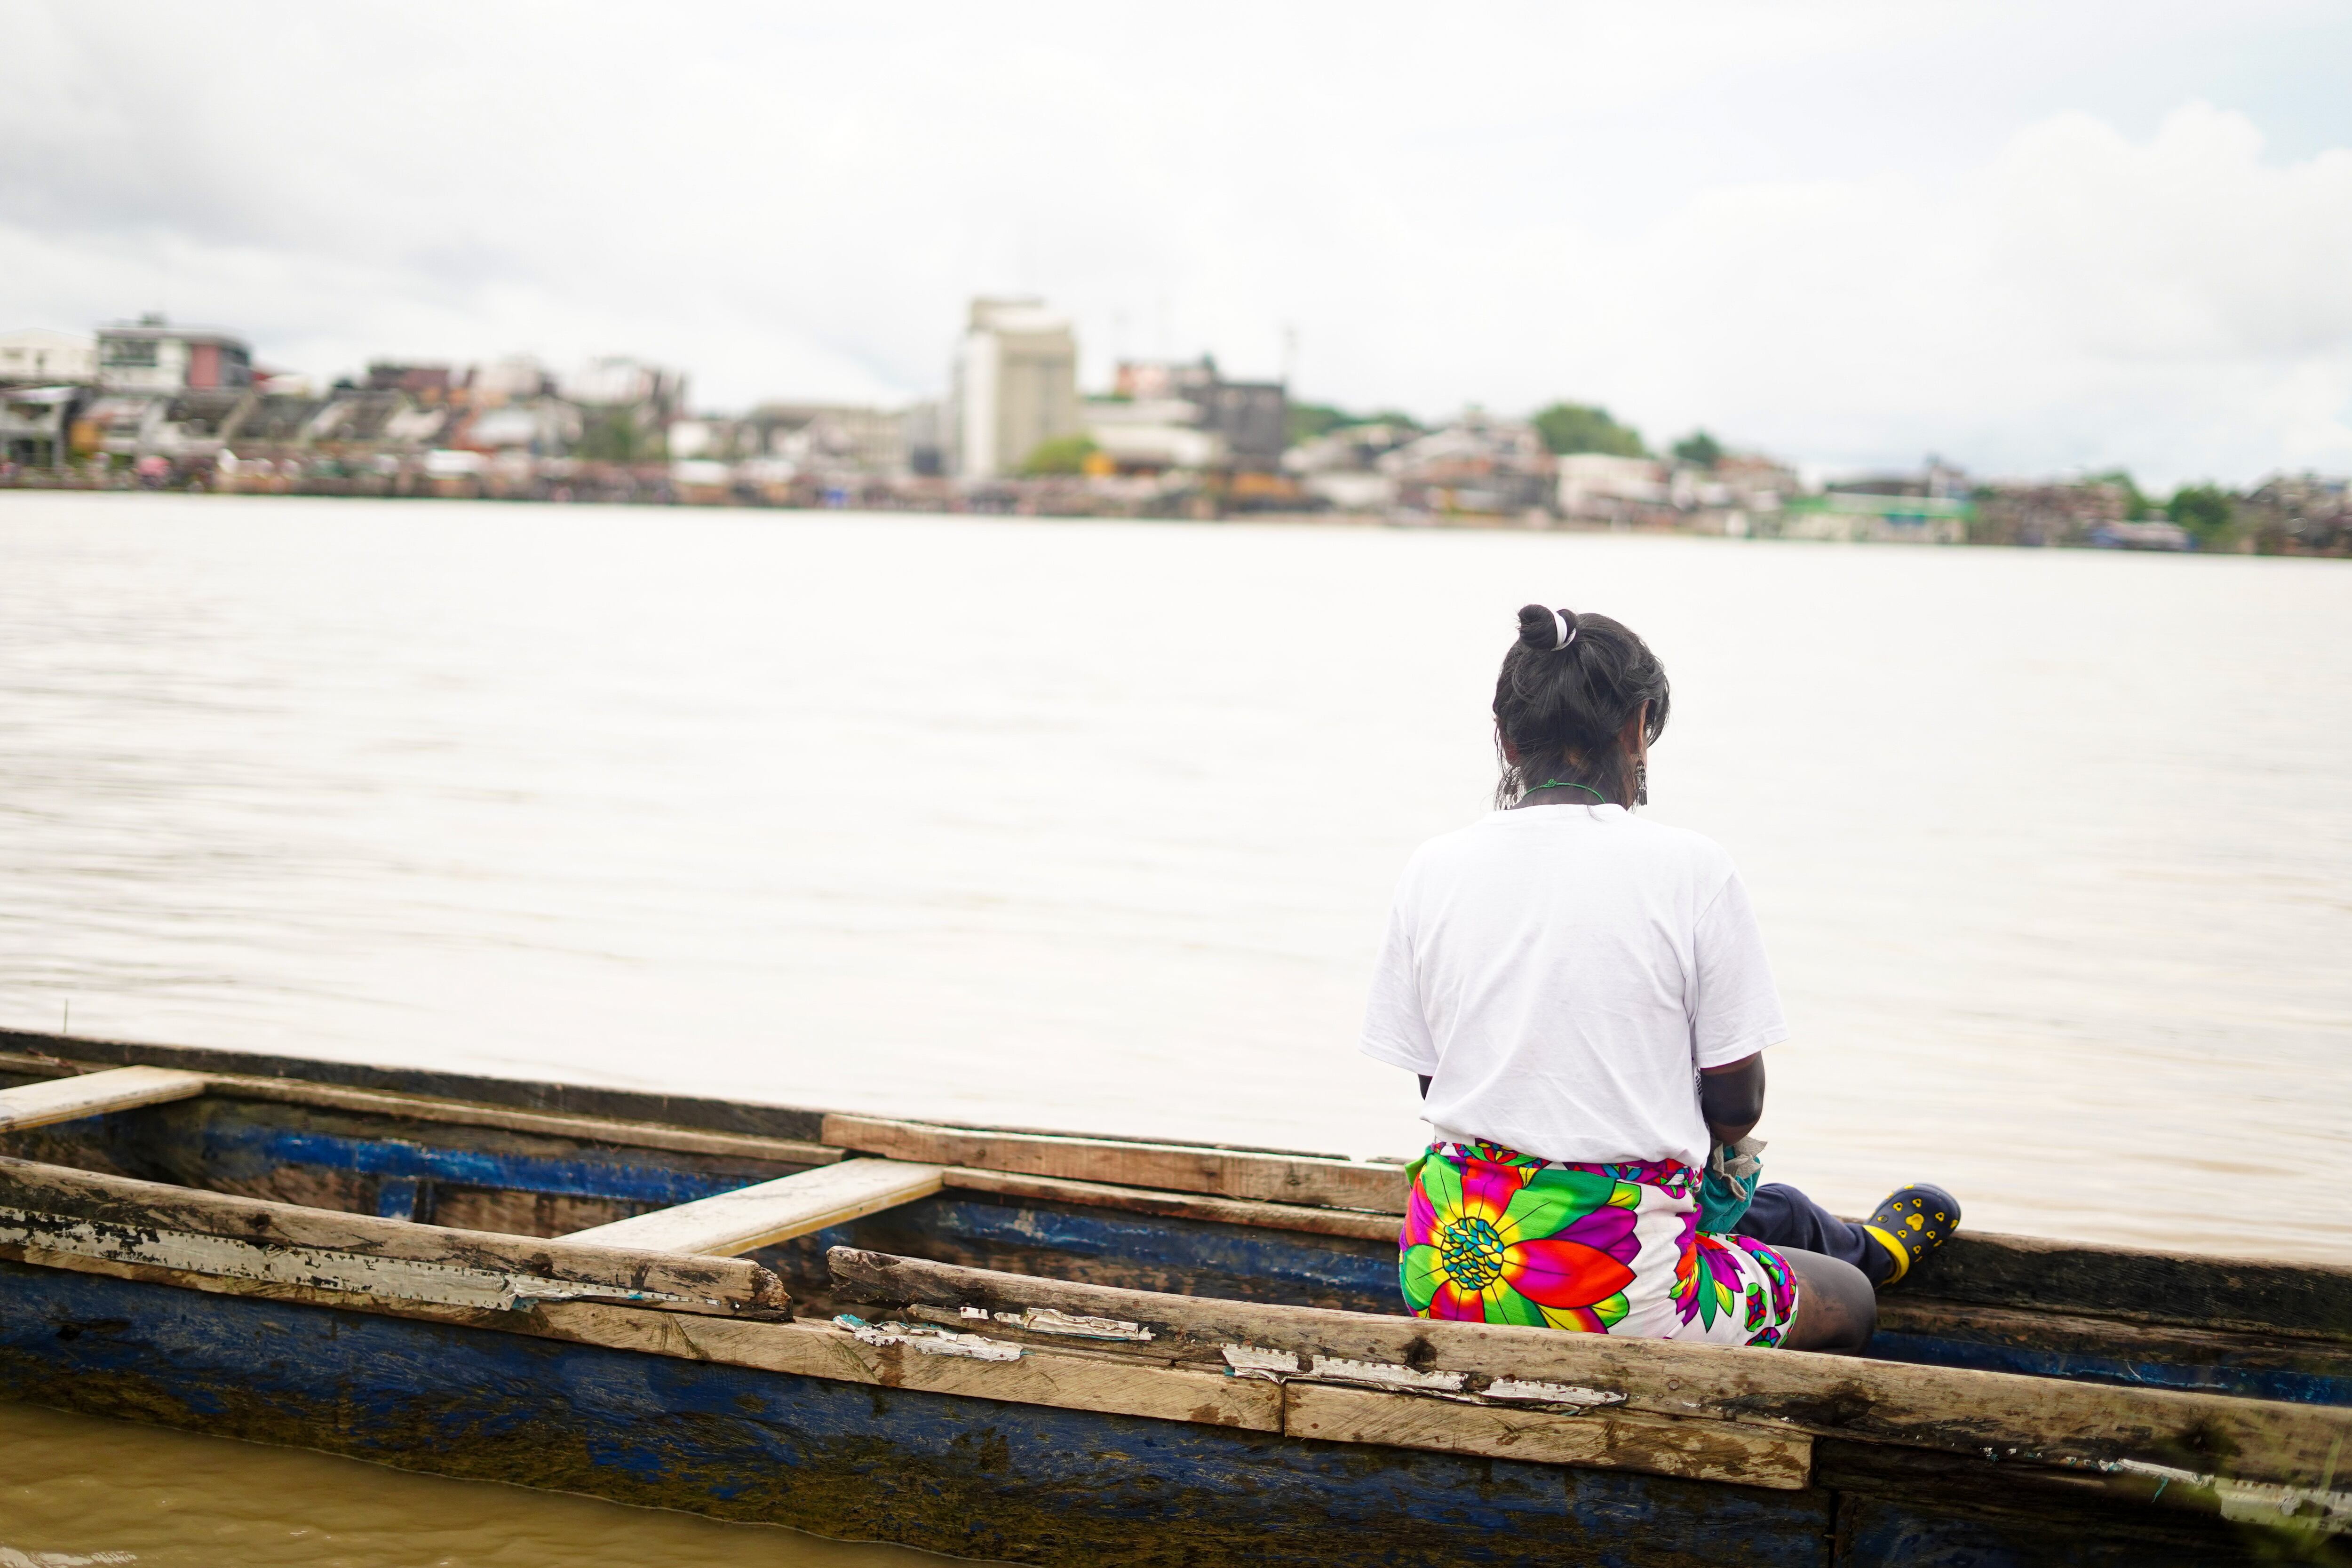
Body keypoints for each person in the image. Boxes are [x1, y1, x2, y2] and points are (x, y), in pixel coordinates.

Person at [1358, 603, 1958, 1352]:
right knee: (1850, 1300)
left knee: (1756, 1214)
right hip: (1619, 1291)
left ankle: (1821, 1234)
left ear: (1506, 738)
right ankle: (1869, 1258)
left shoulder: (1431, 868)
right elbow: (1736, 1107)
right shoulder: (1692, 868)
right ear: (1638, 725)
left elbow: (1438, 1088)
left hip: (1447, 1271)